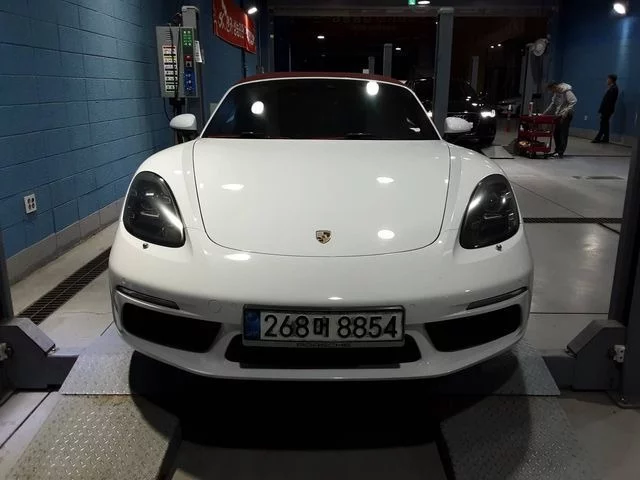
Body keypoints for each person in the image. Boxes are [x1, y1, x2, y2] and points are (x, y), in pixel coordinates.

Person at [543, 82, 578, 158]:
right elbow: (553, 104)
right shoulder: (556, 93)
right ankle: (557, 150)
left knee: (563, 133)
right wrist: (544, 114)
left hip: (566, 115)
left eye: (551, 89)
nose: (552, 91)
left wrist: (566, 111)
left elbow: (574, 100)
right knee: (556, 133)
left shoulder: (566, 91)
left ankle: (560, 152)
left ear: (554, 87)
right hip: (559, 114)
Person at [592, 74, 619, 143]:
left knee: (603, 124)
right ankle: (606, 138)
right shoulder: (612, 88)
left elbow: (609, 101)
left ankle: (598, 138)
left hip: (607, 110)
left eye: (608, 79)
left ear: (611, 80)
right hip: (607, 109)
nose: (607, 80)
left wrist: (604, 110)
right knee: (605, 124)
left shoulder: (613, 88)